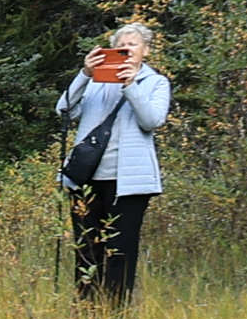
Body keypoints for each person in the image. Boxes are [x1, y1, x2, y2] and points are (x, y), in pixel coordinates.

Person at [57, 22, 170, 304]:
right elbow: (64, 110)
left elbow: (152, 121)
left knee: (120, 251)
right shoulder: (95, 82)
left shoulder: (155, 83)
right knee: (86, 249)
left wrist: (131, 85)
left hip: (129, 185)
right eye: (122, 45)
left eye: (133, 45)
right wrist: (85, 74)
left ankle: (116, 315)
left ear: (146, 50)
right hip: (86, 180)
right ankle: (85, 312)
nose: (127, 50)